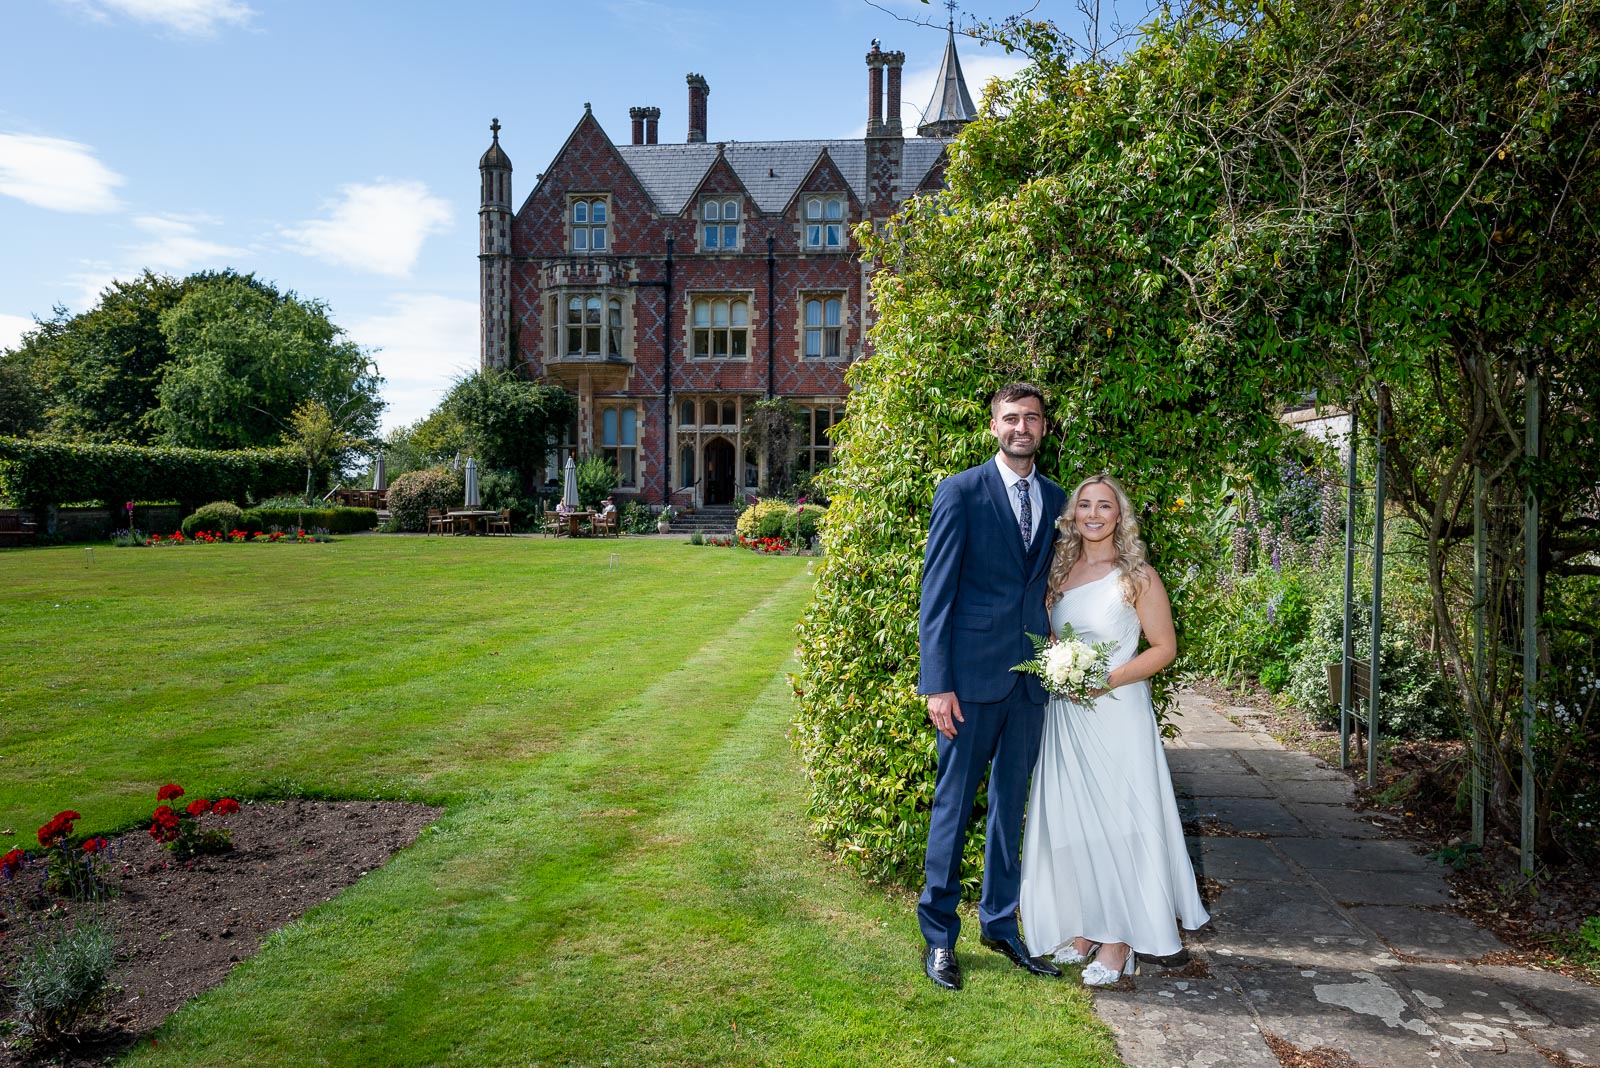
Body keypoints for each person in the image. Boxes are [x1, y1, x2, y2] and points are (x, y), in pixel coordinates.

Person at [1018, 474, 1209, 986]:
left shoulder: (1138, 575)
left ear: (1120, 516)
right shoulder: (1060, 570)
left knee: (1120, 820)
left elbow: (1163, 648)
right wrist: (1060, 668)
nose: (1095, 514)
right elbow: (1055, 638)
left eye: (1106, 505)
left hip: (1116, 712)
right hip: (1067, 714)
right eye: (1085, 505)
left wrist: (1106, 679)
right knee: (1073, 819)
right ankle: (1083, 928)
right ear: (1072, 515)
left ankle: (1119, 940)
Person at [916, 382, 1069, 991]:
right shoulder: (960, 492)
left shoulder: (1057, 500)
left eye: (1032, 418)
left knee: (1011, 809)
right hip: (970, 684)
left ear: (1044, 429)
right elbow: (937, 595)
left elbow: (1048, 588)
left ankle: (1001, 923)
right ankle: (938, 937)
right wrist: (937, 683)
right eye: (1011, 418)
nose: (1021, 427)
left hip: (1031, 684)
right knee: (953, 807)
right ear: (993, 427)